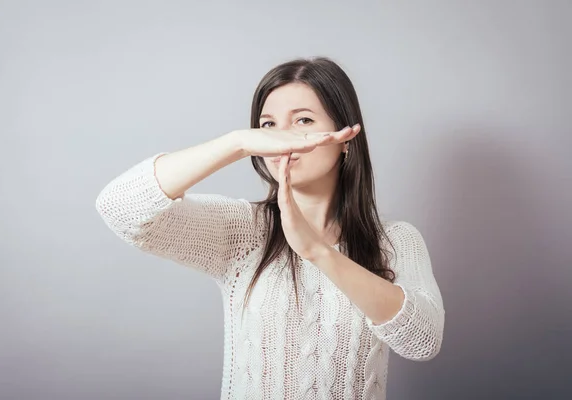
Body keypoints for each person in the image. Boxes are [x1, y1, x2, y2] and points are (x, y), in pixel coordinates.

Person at [96, 56, 444, 400]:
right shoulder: (243, 231)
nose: (283, 141)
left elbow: (422, 340)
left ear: (346, 138)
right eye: (267, 126)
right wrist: (235, 143)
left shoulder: (396, 241)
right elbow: (121, 207)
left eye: (303, 120)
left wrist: (318, 253)